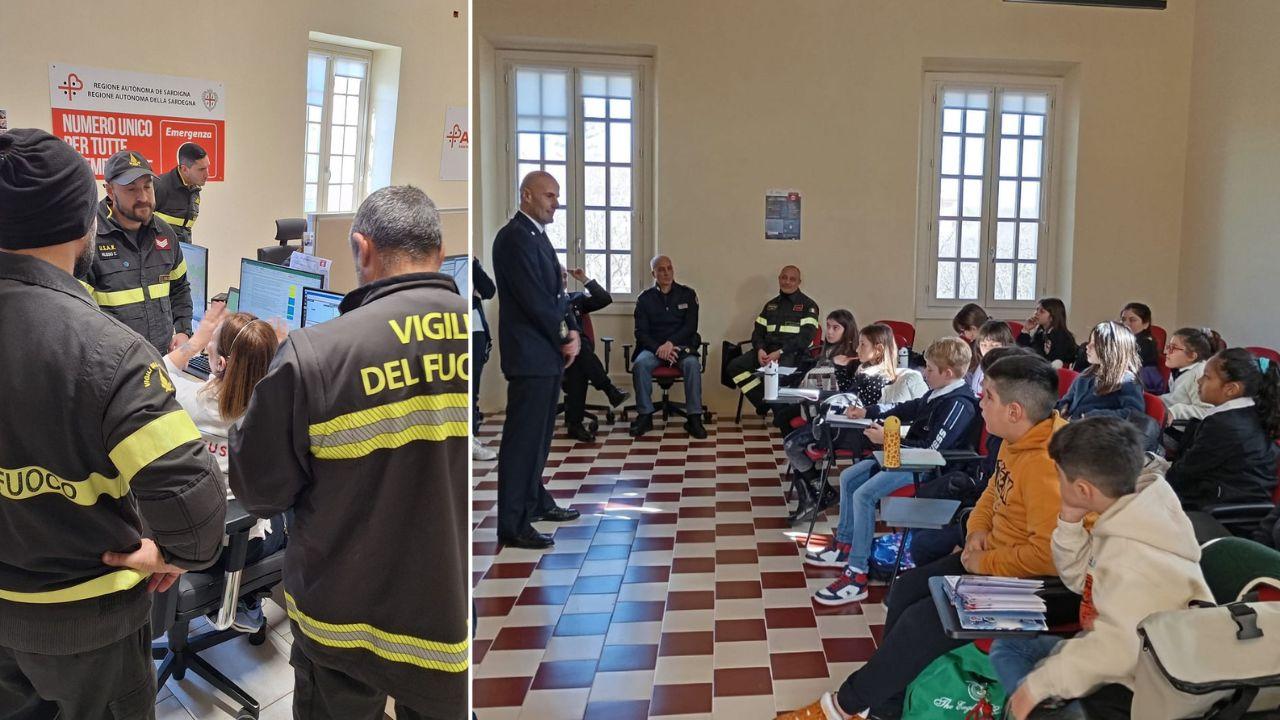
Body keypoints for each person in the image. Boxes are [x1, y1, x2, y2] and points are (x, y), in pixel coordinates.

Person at [0, 128, 226, 719]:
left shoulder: (161, 249)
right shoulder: (108, 353)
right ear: (87, 222)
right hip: (87, 623)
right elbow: (199, 518)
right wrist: (169, 554)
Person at [230, 186, 468, 719]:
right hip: (446, 617)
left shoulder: (317, 353)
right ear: (438, 247)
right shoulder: (477, 330)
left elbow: (258, 490)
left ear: (362, 249)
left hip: (343, 624)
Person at [782, 353, 1068, 720]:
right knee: (906, 589)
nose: (980, 401)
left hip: (1037, 586)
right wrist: (978, 531)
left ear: (1015, 411)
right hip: (997, 561)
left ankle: (840, 707)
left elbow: (1047, 557)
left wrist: (983, 561)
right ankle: (888, 708)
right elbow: (990, 496)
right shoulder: (1015, 440)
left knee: (924, 620)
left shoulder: (1047, 463)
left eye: (989, 397)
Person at [991, 417, 1212, 720]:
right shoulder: (1124, 512)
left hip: (1146, 676)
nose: (1055, 482)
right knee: (1010, 649)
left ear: (1083, 489)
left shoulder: (1135, 555)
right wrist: (1069, 520)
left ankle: (1032, 709)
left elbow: (1120, 649)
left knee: (1039, 691)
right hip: (1112, 639)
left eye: (1058, 475)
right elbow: (1083, 580)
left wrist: (1039, 685)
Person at [805, 337, 980, 605]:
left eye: (930, 369)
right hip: (907, 455)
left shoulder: (959, 404)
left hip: (929, 468)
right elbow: (906, 409)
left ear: (948, 373)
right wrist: (870, 411)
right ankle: (845, 543)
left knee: (864, 495)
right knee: (849, 477)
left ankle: (857, 574)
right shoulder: (937, 392)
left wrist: (889, 440)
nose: (924, 373)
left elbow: (932, 450)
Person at [164, 304, 287, 633]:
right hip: (233, 545)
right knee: (287, 518)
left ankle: (238, 599)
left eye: (211, 346)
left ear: (218, 363)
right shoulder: (274, 414)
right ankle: (246, 600)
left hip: (181, 536)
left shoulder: (184, 397)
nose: (206, 346)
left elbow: (158, 370)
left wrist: (196, 339)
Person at [491, 171, 582, 550]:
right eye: (549, 195)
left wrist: (573, 329)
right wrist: (564, 335)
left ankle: (535, 501)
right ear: (526, 195)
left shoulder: (537, 237)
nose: (555, 202)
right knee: (523, 442)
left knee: (540, 438)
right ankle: (512, 523)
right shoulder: (514, 238)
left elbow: (558, 293)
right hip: (530, 354)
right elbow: (536, 301)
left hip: (543, 357)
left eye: (557, 196)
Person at [79, 148, 194, 355]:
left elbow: (179, 288)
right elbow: (79, 314)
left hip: (161, 361)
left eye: (147, 187)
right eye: (132, 189)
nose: (143, 197)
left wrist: (183, 331)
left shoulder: (165, 233)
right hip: (113, 369)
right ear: (110, 191)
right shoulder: (89, 239)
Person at [1151, 347, 1280, 508]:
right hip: (1232, 498)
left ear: (1231, 389)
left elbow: (1184, 473)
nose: (1199, 381)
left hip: (1223, 511)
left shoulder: (1224, 425)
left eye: (1206, 377)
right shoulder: (1251, 411)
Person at [725, 265, 820, 415]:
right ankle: (762, 401)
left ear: (799, 282)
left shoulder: (808, 306)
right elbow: (757, 332)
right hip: (766, 353)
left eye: (792, 279)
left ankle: (782, 415)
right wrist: (760, 349)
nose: (787, 282)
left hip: (792, 354)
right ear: (779, 279)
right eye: (784, 277)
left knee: (778, 377)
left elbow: (805, 338)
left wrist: (780, 352)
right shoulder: (770, 305)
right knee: (734, 366)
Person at [631, 255, 704, 438]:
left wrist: (671, 345)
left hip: (680, 347)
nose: (666, 273)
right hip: (653, 349)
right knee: (640, 365)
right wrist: (659, 349)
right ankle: (645, 415)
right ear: (653, 273)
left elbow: (690, 327)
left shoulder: (687, 294)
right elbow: (641, 332)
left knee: (692, 365)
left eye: (669, 268)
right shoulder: (644, 299)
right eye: (661, 269)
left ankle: (694, 418)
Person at [562, 266, 630, 442]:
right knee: (580, 347)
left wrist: (584, 279)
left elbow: (604, 299)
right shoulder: (543, 300)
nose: (562, 279)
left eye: (564, 276)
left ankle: (574, 425)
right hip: (553, 353)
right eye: (557, 276)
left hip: (576, 354)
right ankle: (609, 390)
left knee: (579, 358)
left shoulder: (575, 298)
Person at [770, 308, 859, 435]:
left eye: (835, 328)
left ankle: (807, 444)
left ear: (847, 331)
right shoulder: (825, 352)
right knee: (781, 413)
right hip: (813, 398)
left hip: (832, 404)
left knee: (782, 417)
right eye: (828, 326)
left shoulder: (851, 357)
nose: (829, 332)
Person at [1057, 321, 1145, 420]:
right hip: (1071, 427)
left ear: (1111, 349)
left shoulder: (1128, 381)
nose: (1087, 346)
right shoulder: (1086, 374)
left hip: (1097, 431)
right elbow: (1068, 398)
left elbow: (1134, 413)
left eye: (1094, 345)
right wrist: (1064, 406)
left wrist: (1093, 416)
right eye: (1089, 342)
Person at [152, 142, 208, 244]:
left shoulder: (194, 189)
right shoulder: (159, 186)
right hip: (159, 253)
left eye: (207, 167)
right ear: (184, 169)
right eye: (201, 169)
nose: (207, 174)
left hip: (182, 251)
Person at [1159, 326, 1215, 423]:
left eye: (1173, 348)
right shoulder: (1179, 369)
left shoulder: (1200, 374)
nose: (1167, 351)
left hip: (1183, 431)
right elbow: (1174, 398)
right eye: (1168, 346)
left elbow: (1207, 411)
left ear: (1192, 356)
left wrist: (1176, 411)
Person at [472, 257, 498, 460]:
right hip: (452, 329)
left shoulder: (471, 266)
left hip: (476, 332)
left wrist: (475, 265)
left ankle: (470, 438)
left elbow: (489, 291)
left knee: (473, 390)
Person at [1017, 297, 1077, 367]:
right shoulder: (1041, 333)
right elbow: (1022, 350)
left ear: (1052, 317)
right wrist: (1026, 329)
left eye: (1042, 311)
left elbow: (1052, 361)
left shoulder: (1061, 337)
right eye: (1037, 310)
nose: (1036, 313)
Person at [968, 319, 1015, 394]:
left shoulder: (1008, 371)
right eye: (983, 345)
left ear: (1007, 345)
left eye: (994, 345)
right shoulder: (979, 365)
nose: (988, 350)